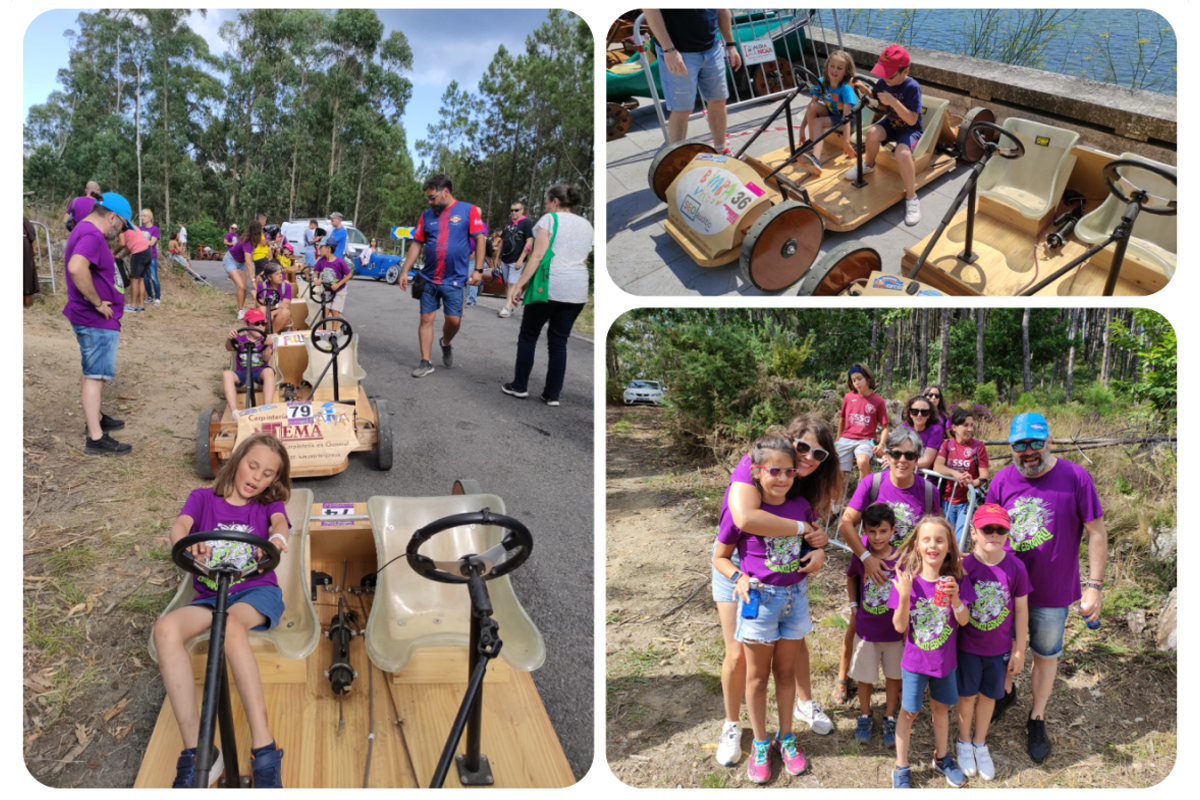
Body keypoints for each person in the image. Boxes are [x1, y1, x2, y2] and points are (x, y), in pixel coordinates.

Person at [152, 432, 290, 788]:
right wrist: (183, 542)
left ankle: (264, 748)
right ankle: (199, 752)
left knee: (228, 627)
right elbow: (181, 526)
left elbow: (279, 525)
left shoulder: (267, 507)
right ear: (237, 460)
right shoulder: (202, 499)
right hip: (210, 596)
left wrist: (277, 539)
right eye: (252, 466)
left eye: (267, 474)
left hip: (254, 593)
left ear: (275, 480)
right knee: (166, 628)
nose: (256, 478)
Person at [712, 416, 837, 768]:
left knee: (788, 659)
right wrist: (737, 574)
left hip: (789, 591)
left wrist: (819, 549)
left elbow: (813, 535)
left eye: (818, 453)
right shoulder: (751, 468)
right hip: (744, 576)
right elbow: (745, 522)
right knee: (740, 658)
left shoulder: (801, 492)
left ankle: (793, 722)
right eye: (802, 447)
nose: (807, 457)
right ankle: (736, 727)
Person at [984, 412, 1106, 764]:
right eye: (1020, 445)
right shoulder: (1002, 481)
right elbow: (987, 532)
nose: (1028, 452)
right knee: (1001, 648)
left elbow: (1096, 532)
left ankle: (1036, 717)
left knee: (1045, 654)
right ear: (1011, 447)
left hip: (1052, 591)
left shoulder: (1075, 477)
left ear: (1048, 441)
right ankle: (1006, 693)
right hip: (1006, 589)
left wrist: (1094, 586)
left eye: (1035, 443)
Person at [832, 427, 940, 707]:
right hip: (872, 570)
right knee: (859, 622)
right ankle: (844, 677)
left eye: (909, 454)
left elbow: (936, 532)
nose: (902, 460)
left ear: (918, 458)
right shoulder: (873, 484)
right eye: (895, 453)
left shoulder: (928, 492)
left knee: (905, 629)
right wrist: (866, 557)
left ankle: (904, 682)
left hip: (909, 574)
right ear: (886, 455)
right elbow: (846, 523)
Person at [888, 516, 975, 788]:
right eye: (926, 539)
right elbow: (899, 626)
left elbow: (964, 621)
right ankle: (901, 766)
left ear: (949, 546)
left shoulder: (957, 580)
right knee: (909, 712)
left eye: (940, 540)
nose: (933, 545)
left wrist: (957, 598)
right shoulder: (906, 582)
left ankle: (942, 757)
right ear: (916, 545)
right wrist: (903, 596)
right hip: (914, 663)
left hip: (944, 663)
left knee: (941, 709)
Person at [955, 504, 1030, 782]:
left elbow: (1021, 610)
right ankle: (963, 742)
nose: (994, 534)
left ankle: (979, 742)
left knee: (989, 697)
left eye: (1001, 529)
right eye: (988, 529)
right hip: (968, 647)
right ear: (974, 533)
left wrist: (1020, 648)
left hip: (998, 649)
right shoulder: (964, 567)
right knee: (966, 697)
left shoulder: (1016, 567)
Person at [501, 184, 593, 406]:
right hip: (577, 289)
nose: (544, 204)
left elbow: (537, 256)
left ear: (555, 201)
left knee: (529, 335)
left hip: (549, 287)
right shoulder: (588, 225)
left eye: (546, 200)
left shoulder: (550, 220)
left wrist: (519, 286)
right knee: (559, 342)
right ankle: (552, 394)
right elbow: (584, 258)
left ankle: (520, 386)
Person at [63, 192, 132, 455]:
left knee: (91, 369)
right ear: (112, 217)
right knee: (96, 376)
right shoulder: (92, 235)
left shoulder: (84, 228)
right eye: (123, 225)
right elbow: (76, 267)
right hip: (95, 319)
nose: (121, 231)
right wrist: (96, 302)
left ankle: (96, 417)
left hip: (92, 319)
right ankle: (95, 437)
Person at [399, 174, 486, 378]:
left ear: (445, 192)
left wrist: (479, 270)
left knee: (454, 321)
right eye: (428, 198)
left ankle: (445, 342)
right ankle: (425, 361)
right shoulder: (427, 215)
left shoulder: (468, 210)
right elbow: (416, 243)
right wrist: (405, 270)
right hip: (429, 277)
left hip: (455, 279)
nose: (430, 201)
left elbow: (480, 240)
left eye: (433, 197)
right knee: (426, 318)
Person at [846, 44, 925, 226]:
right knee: (873, 133)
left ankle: (912, 197)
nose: (885, 78)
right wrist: (862, 89)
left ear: (905, 71)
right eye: (883, 73)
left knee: (902, 153)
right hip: (891, 123)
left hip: (909, 129)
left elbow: (913, 120)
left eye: (889, 74)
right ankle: (869, 165)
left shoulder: (912, 88)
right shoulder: (883, 82)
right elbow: (876, 100)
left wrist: (894, 102)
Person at [643, 9, 743, 152]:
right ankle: (677, 160)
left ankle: (721, 151)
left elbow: (721, 8)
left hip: (712, 47)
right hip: (678, 51)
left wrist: (731, 45)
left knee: (718, 101)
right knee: (682, 109)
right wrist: (668, 49)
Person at [846, 503, 903, 748]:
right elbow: (851, 576)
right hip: (866, 630)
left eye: (882, 531)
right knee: (865, 677)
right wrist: (853, 604)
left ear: (893, 530)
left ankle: (890, 716)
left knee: (893, 675)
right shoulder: (861, 555)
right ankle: (865, 715)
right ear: (864, 532)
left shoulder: (903, 557)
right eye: (871, 532)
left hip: (895, 632)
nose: (877, 537)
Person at [798, 50, 859, 176]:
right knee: (814, 105)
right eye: (832, 66)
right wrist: (802, 128)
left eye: (839, 68)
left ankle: (816, 158)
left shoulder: (846, 88)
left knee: (818, 121)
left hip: (848, 120)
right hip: (832, 115)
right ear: (827, 66)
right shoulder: (821, 82)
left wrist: (846, 142)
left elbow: (846, 117)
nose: (834, 70)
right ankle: (812, 140)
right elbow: (811, 107)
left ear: (846, 72)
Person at [934, 409, 989, 542]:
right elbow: (937, 466)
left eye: (971, 425)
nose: (970, 429)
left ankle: (959, 563)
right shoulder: (947, 444)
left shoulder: (978, 446)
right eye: (965, 425)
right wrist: (955, 474)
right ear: (954, 427)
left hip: (967, 502)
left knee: (960, 541)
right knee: (946, 539)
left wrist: (972, 483)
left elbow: (984, 476)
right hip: (947, 501)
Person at [836, 363, 888, 482]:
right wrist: (838, 440)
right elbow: (842, 419)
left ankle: (864, 494)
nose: (857, 382)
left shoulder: (878, 401)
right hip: (846, 439)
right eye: (854, 380)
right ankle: (834, 500)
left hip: (865, 440)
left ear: (867, 378)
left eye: (859, 379)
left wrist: (881, 444)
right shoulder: (848, 397)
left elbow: (885, 426)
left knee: (863, 461)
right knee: (837, 471)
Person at [222, 310, 276, 411]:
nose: (260, 326)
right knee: (227, 374)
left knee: (269, 371)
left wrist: (267, 346)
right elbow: (229, 348)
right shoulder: (240, 339)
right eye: (256, 323)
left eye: (263, 323)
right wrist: (229, 339)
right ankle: (234, 411)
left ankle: (267, 406)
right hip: (242, 372)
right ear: (246, 324)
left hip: (260, 372)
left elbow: (266, 358)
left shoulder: (265, 340)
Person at [498, 201, 535, 317]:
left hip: (516, 259)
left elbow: (529, 242)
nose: (513, 212)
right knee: (507, 284)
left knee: (512, 284)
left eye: (516, 210)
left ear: (522, 210)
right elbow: (502, 240)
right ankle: (509, 304)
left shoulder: (526, 223)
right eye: (512, 210)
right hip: (505, 259)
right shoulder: (509, 224)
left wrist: (521, 259)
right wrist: (498, 257)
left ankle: (507, 307)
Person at [314, 240, 352, 331]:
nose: (319, 250)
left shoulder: (339, 262)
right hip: (327, 290)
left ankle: (334, 332)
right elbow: (316, 272)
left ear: (328, 248)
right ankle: (320, 332)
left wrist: (338, 284)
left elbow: (349, 274)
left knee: (334, 310)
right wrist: (316, 279)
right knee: (325, 311)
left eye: (321, 247)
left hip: (339, 290)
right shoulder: (321, 261)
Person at [900, 394, 943, 470]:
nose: (919, 415)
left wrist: (898, 463)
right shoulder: (904, 427)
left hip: (924, 477)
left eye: (924, 412)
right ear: (910, 413)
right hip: (906, 472)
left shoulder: (935, 431)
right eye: (915, 411)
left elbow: (926, 462)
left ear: (929, 414)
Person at [119, 216, 152, 313]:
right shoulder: (134, 228)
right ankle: (140, 305)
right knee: (140, 279)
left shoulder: (122, 230)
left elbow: (121, 244)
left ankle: (133, 305)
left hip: (138, 254)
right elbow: (130, 247)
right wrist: (121, 255)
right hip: (147, 252)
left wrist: (114, 253)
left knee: (134, 279)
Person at [256, 262, 293, 332]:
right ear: (269, 277)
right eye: (277, 274)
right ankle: (261, 332)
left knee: (286, 312)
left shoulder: (286, 287)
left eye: (281, 273)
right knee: (262, 309)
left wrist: (274, 312)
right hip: (266, 314)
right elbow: (259, 304)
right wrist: (277, 306)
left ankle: (271, 335)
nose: (280, 276)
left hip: (280, 316)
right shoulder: (262, 286)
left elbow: (286, 305)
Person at [139, 208, 162, 306]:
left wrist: (142, 240)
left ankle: (157, 298)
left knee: (154, 277)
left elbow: (151, 243)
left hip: (152, 256)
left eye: (144, 216)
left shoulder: (155, 229)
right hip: (142, 256)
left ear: (149, 218)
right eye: (141, 216)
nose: (142, 218)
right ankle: (150, 296)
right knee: (145, 278)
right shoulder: (140, 229)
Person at [464, 225, 488, 308]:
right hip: (465, 255)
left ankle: (472, 299)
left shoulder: (482, 225)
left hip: (473, 257)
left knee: (472, 278)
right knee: (466, 278)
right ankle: (464, 299)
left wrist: (475, 253)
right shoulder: (467, 223)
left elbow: (482, 241)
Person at [24, 216, 39, 307]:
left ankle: (27, 300)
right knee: (26, 271)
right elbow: (32, 234)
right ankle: (27, 300)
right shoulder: (23, 219)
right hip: (24, 246)